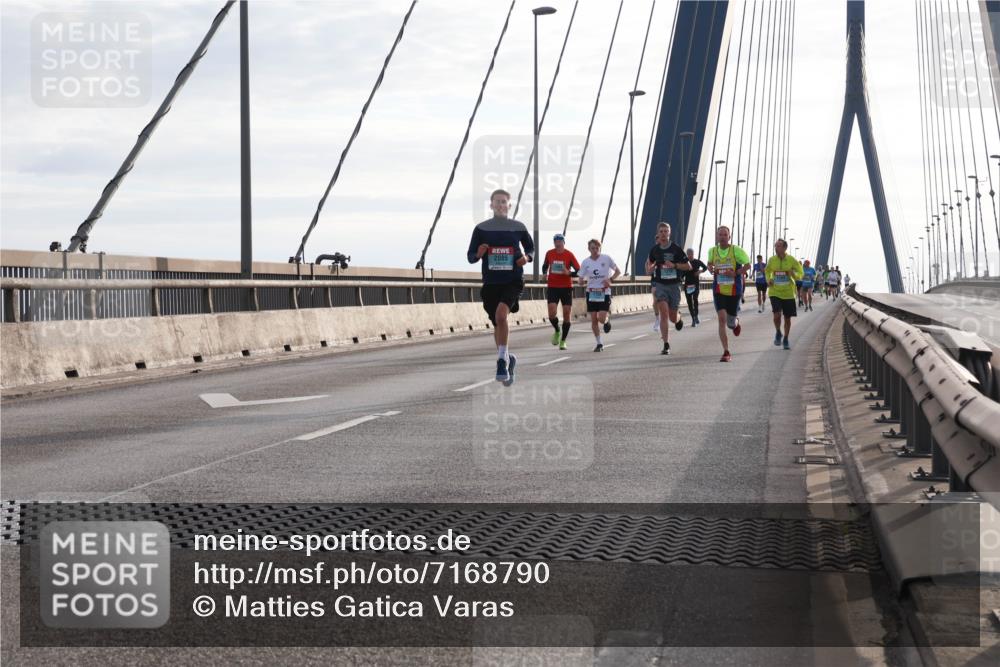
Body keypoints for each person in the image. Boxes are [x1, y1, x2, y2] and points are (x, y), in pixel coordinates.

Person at [467, 189, 534, 385]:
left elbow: (531, 248)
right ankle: (507, 358)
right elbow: (470, 256)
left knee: (501, 316)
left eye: (503, 202)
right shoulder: (481, 229)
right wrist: (478, 254)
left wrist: (527, 258)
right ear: (491, 205)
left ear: (509, 206)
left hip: (512, 280)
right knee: (497, 323)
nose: (500, 205)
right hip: (491, 283)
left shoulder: (518, 227)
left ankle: (501, 361)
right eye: (497, 202)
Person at [645, 222, 691, 355]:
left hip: (674, 285)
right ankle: (666, 344)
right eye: (661, 231)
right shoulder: (654, 250)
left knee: (672, 317)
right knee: (663, 314)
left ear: (669, 233)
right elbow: (649, 268)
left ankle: (678, 318)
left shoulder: (676, 249)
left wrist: (674, 265)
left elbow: (688, 266)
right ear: (658, 234)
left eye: (666, 231)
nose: (664, 234)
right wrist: (652, 268)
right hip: (660, 285)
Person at [707, 226, 751, 362]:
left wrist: (736, 273)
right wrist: (709, 268)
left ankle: (736, 324)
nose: (722, 237)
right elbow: (709, 264)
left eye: (725, 235)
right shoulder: (712, 251)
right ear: (716, 236)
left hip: (734, 290)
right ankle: (726, 352)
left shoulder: (736, 251)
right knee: (721, 319)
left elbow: (748, 265)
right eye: (720, 234)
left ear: (729, 237)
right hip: (719, 290)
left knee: (730, 323)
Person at [579, 239, 620, 352]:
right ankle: (599, 343)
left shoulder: (607, 258)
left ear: (600, 248)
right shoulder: (585, 262)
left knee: (601, 318)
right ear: (589, 249)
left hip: (604, 292)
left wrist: (610, 280)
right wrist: (581, 281)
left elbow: (618, 271)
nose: (595, 250)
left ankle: (606, 321)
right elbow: (581, 278)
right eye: (593, 248)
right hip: (591, 292)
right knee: (593, 320)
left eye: (597, 248)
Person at [542, 233, 580, 350]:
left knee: (566, 313)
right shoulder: (549, 253)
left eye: (560, 241)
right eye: (555, 241)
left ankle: (563, 341)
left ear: (563, 242)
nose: (557, 243)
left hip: (566, 287)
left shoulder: (569, 255)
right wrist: (544, 273)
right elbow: (545, 265)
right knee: (552, 313)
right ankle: (557, 330)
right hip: (553, 286)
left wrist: (569, 273)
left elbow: (579, 271)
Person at [765, 238, 803, 350]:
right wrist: (768, 279)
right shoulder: (772, 260)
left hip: (788, 293)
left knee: (787, 318)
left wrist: (794, 274)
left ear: (785, 248)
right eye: (775, 246)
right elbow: (767, 271)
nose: (776, 248)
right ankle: (778, 332)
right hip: (774, 291)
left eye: (779, 246)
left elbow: (801, 273)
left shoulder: (791, 260)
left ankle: (786, 338)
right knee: (776, 315)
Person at [683, 247, 708, 328]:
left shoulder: (697, 262)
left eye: (691, 254)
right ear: (687, 254)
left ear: (693, 254)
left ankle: (696, 315)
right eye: (688, 254)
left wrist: (699, 272)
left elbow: (705, 267)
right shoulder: (685, 263)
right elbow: (681, 273)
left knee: (695, 300)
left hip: (695, 284)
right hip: (687, 285)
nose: (690, 256)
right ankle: (693, 319)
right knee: (690, 303)